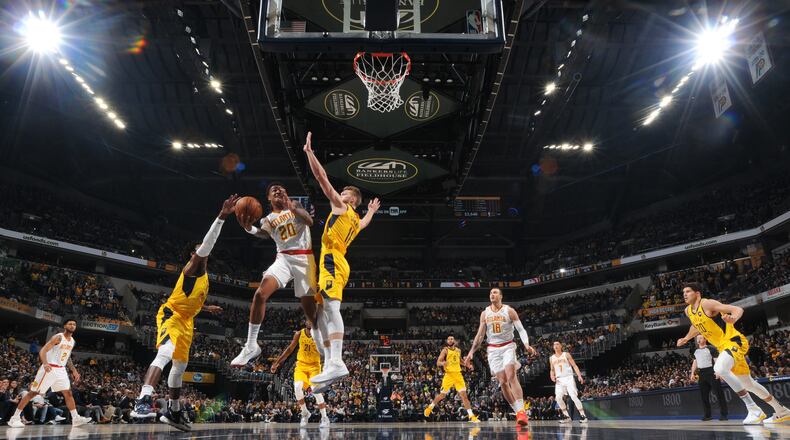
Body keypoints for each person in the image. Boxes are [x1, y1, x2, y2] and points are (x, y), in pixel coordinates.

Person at [130, 195, 236, 431]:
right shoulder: (193, 267)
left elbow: (192, 300)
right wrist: (222, 217)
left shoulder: (204, 277)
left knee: (179, 368)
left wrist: (206, 308)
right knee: (165, 352)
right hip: (172, 315)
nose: (203, 250)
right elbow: (207, 245)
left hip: (187, 321)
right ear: (192, 254)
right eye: (199, 249)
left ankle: (174, 411)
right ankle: (143, 399)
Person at [301, 131, 380, 393]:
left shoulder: (342, 208)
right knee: (322, 314)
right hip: (336, 260)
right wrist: (370, 212)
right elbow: (365, 224)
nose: (340, 193)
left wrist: (310, 153)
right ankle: (329, 367)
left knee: (331, 309)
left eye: (344, 192)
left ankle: (336, 361)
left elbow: (322, 179)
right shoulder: (355, 220)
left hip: (332, 260)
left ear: (350, 200)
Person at [231, 183, 322, 367]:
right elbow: (264, 234)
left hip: (304, 257)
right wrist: (249, 228)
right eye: (274, 191)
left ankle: (321, 344)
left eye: (282, 189)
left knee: (310, 313)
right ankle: (250, 345)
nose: (279, 191)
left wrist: (292, 207)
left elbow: (309, 221)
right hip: (283, 259)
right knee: (260, 294)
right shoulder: (269, 218)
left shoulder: (295, 205)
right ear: (269, 198)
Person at [677, 282, 789, 425]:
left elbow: (736, 309)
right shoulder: (688, 311)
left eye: (688, 291)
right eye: (683, 292)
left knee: (719, 369)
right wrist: (687, 337)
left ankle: (753, 409)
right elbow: (696, 324)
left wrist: (733, 319)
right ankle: (781, 411)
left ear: (697, 293)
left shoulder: (707, 304)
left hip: (734, 341)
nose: (684, 294)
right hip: (723, 348)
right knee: (749, 385)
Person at [464, 288, 536, 426]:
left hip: (508, 346)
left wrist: (526, 345)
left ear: (501, 296)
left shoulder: (509, 310)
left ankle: (522, 410)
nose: (492, 294)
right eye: (491, 293)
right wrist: (471, 351)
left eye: (495, 292)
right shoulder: (485, 313)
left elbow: (521, 329)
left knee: (510, 375)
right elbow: (480, 335)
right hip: (493, 349)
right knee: (502, 381)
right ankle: (518, 412)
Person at [7, 319, 91, 428]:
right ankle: (14, 418)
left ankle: (76, 418)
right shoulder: (58, 337)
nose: (72, 325)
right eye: (70, 323)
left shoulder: (72, 341)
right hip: (50, 368)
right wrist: (45, 363)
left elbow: (68, 357)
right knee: (33, 393)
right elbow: (43, 350)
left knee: (68, 393)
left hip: (61, 369)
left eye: (74, 324)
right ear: (65, 326)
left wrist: (74, 370)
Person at [270, 321, 330, 428]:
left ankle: (324, 417)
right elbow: (289, 350)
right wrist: (277, 362)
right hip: (301, 366)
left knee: (315, 390)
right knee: (297, 387)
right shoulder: (299, 334)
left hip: (314, 367)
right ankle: (305, 412)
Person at [423, 335, 480, 423]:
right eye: (449, 339)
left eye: (452, 339)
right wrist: (443, 363)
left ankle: (471, 416)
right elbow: (438, 362)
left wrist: (468, 365)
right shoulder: (445, 350)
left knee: (464, 396)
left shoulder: (458, 350)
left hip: (458, 375)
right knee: (442, 395)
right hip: (449, 375)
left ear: (455, 341)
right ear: (447, 341)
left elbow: (460, 361)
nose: (450, 340)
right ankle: (429, 408)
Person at [690, 334, 728, 421]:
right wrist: (692, 373)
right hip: (701, 373)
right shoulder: (695, 350)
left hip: (711, 371)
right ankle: (707, 415)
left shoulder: (711, 348)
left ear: (705, 339)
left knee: (719, 394)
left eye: (700, 338)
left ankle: (724, 414)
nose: (698, 339)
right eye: (697, 338)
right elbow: (695, 362)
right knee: (704, 396)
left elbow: (716, 360)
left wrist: (718, 372)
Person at [549, 341, 587, 423]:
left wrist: (579, 376)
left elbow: (574, 365)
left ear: (561, 346)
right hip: (559, 379)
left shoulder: (566, 354)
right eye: (554, 344)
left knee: (573, 396)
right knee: (558, 397)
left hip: (568, 377)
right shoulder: (551, 358)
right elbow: (552, 370)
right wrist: (552, 376)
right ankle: (566, 416)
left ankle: (583, 415)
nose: (555, 345)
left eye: (557, 344)